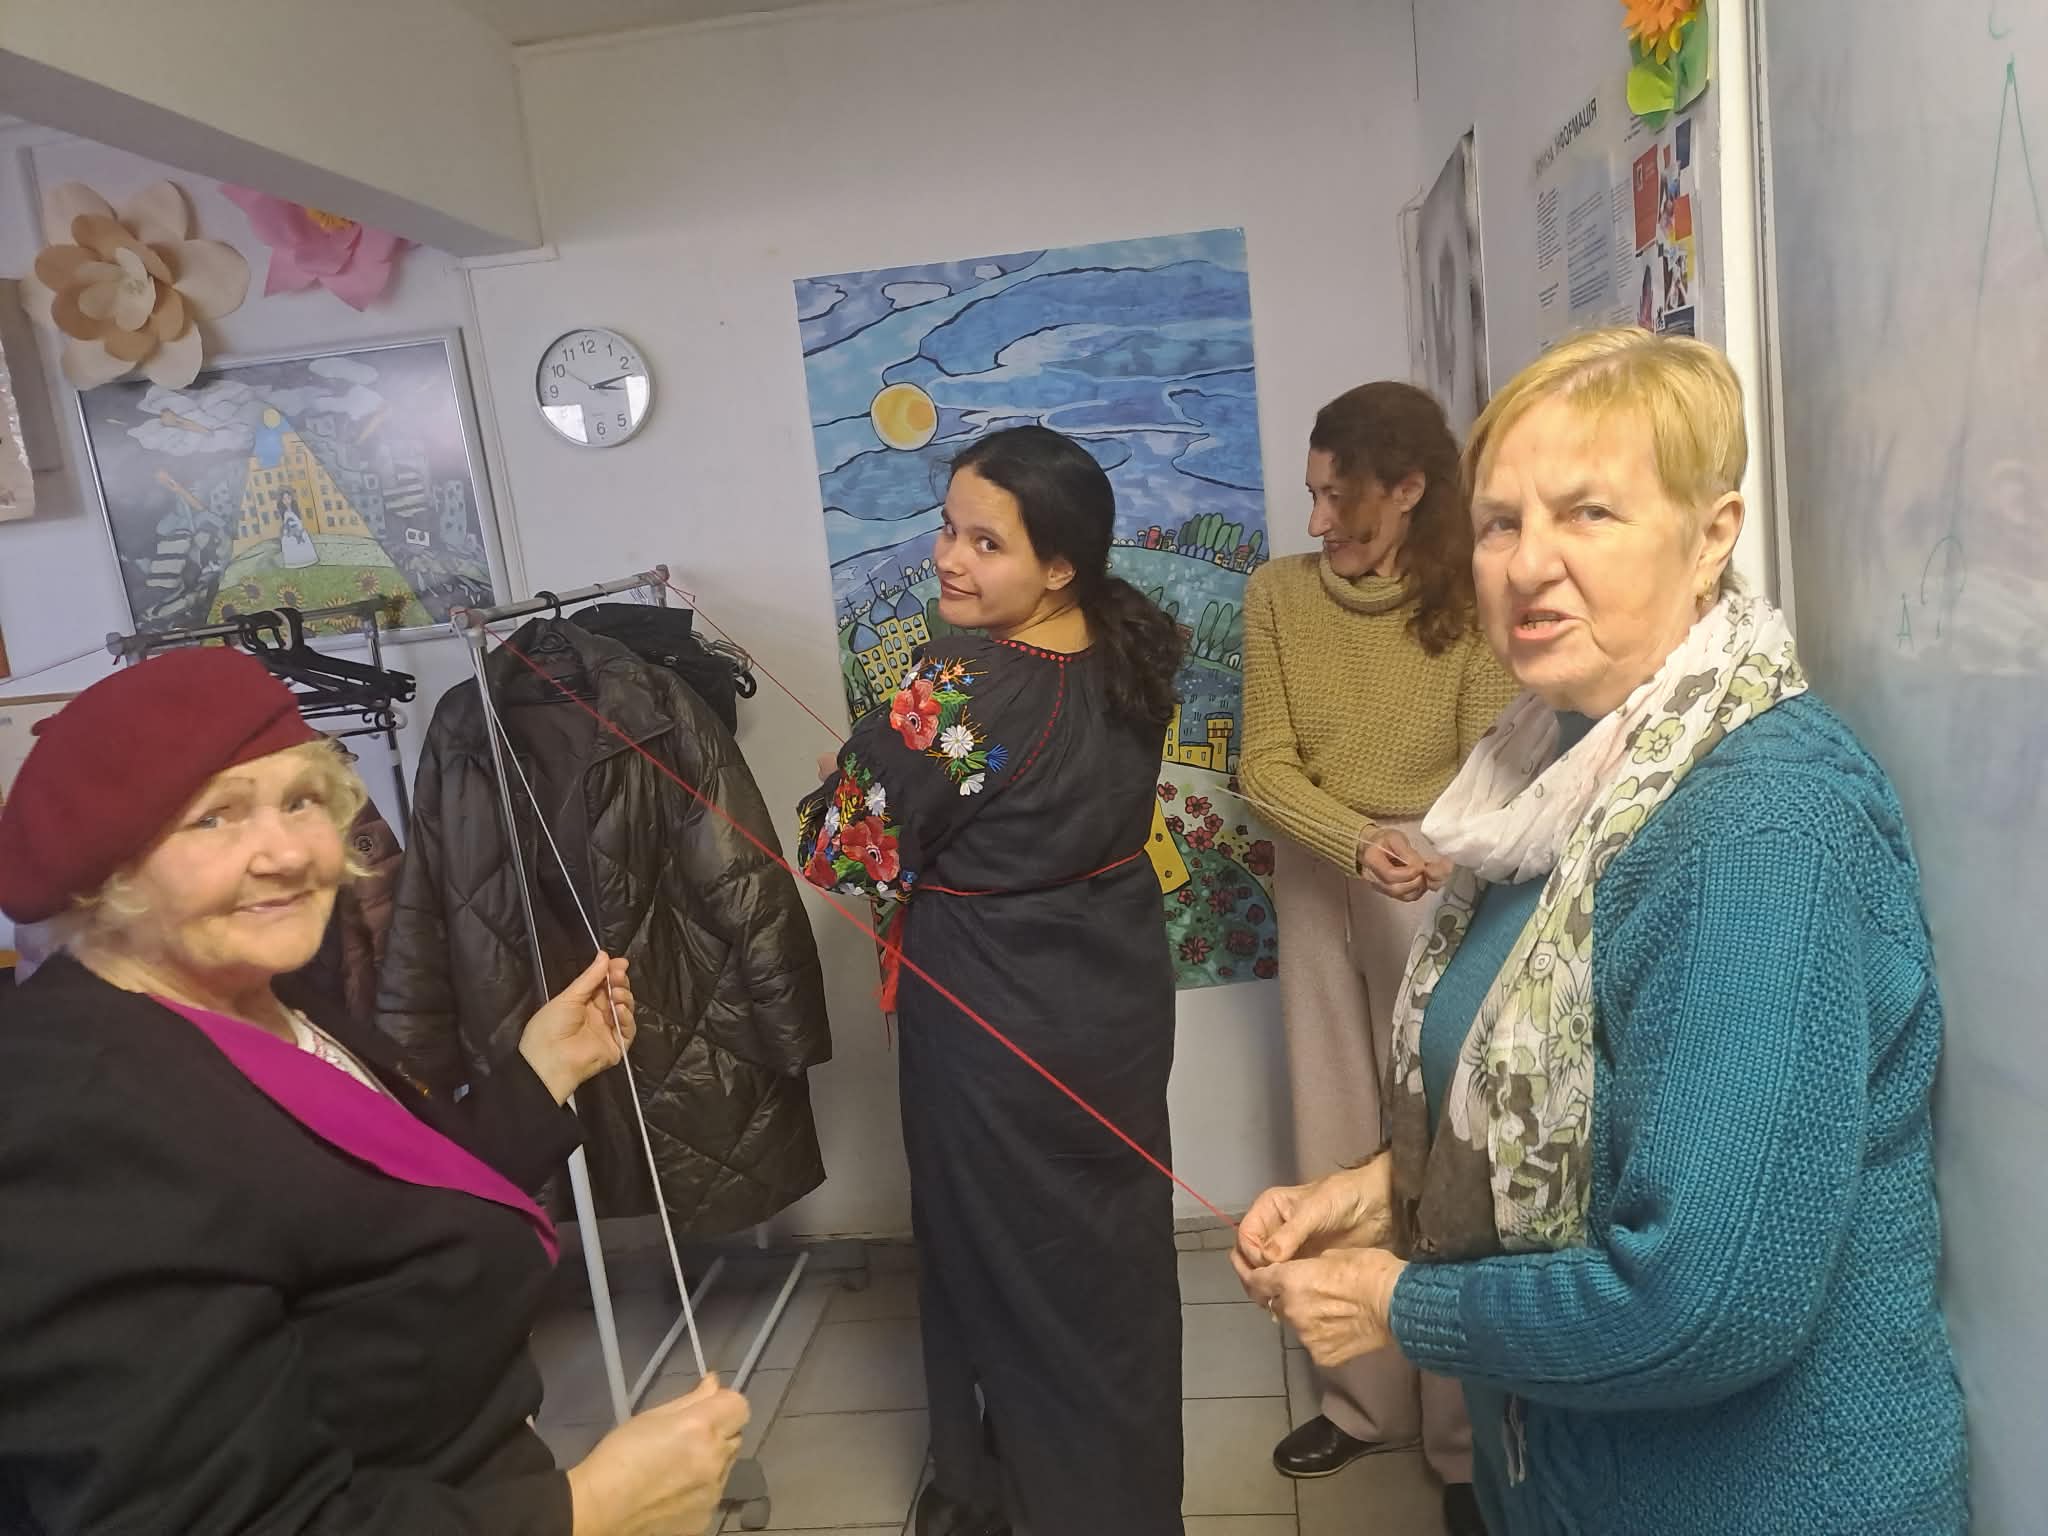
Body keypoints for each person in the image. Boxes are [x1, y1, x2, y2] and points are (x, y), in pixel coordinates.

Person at [1234, 328, 1969, 1534]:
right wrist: (1385, 1194)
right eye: (1500, 522)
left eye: (1587, 514)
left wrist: (1393, 1303)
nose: (1529, 564)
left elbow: (1700, 1304)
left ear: (1711, 535)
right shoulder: (1552, 773)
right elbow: (1555, 1112)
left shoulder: (1754, 830)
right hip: (1579, 1478)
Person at [0, 646, 751, 1536]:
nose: (287, 852)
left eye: (301, 801)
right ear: (108, 871)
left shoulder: (262, 999)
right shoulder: (79, 1118)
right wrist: (590, 1510)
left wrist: (540, 1075)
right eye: (214, 819)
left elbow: (369, 1210)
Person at [797, 425, 1183, 1536]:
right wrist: (877, 780)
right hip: (1110, 997)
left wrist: (845, 782)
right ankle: (1109, 1497)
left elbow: (838, 850)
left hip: (992, 1011)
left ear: (1057, 566)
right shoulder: (1125, 642)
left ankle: (1026, 1500)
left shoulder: (964, 683)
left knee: (999, 1254)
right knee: (1106, 1252)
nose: (948, 558)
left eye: (985, 542)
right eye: (947, 529)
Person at [1239, 382, 1515, 1526]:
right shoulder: (1275, 595)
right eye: (1310, 496)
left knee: (1439, 1147)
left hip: (1438, 881)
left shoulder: (1468, 596)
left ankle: (1458, 1439)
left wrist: (1423, 853)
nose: (1316, 523)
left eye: (1339, 501)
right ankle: (1361, 1405)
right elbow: (1261, 765)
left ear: (1407, 490)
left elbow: (1490, 761)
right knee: (1332, 1132)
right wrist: (1353, 841)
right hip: (1318, 871)